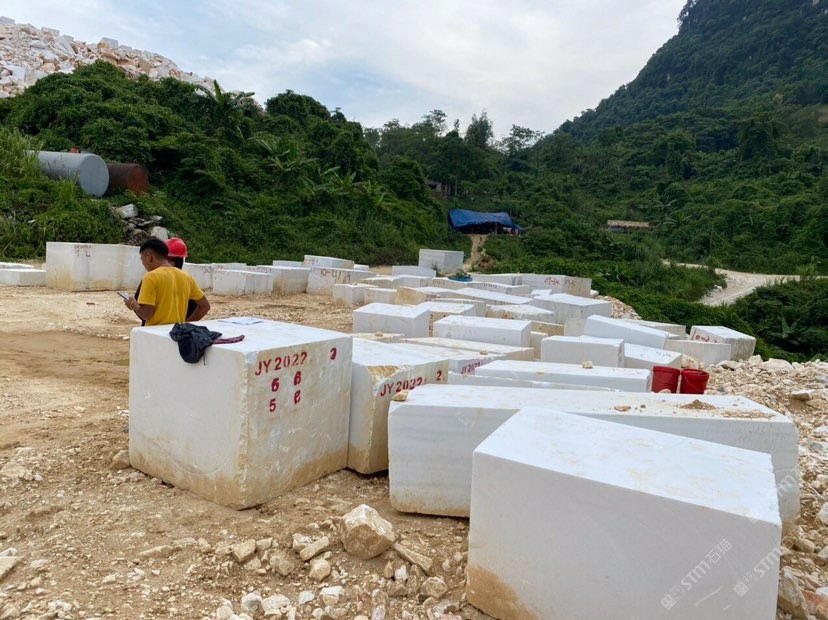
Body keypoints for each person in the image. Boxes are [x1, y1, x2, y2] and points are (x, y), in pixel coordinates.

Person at [124, 238, 210, 326]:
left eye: (142, 260)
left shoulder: (151, 277)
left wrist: (133, 304)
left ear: (149, 257)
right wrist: (185, 325)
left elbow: (146, 315)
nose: (144, 265)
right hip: (176, 332)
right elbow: (205, 306)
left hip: (155, 332)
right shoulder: (187, 276)